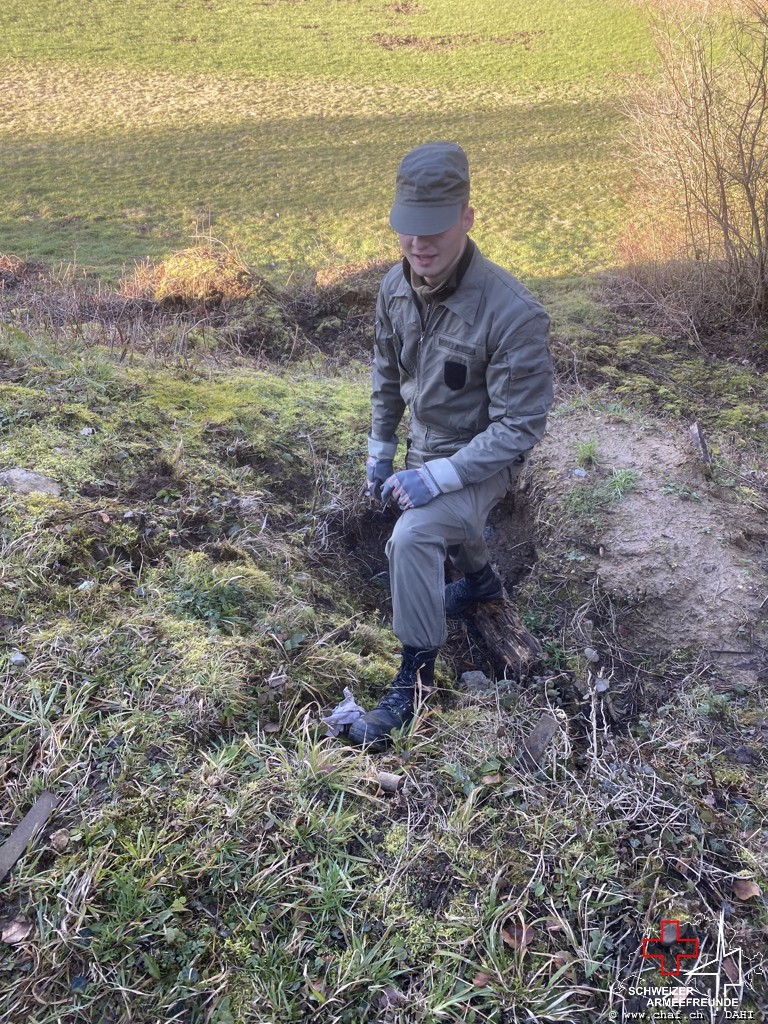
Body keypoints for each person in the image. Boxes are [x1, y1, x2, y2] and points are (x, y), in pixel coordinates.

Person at [347, 141, 554, 749]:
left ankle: (415, 681)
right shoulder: (394, 288)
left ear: (467, 216)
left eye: (435, 228)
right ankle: (483, 584)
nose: (420, 245)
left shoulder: (513, 313)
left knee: (411, 535)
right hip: (424, 446)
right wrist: (379, 454)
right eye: (409, 229)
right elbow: (387, 374)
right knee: (425, 513)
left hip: (485, 459)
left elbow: (519, 427)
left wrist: (436, 479)